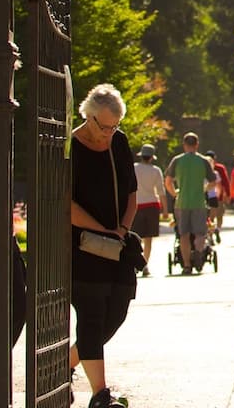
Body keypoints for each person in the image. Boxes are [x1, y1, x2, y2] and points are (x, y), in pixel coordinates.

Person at [66, 84, 144, 408]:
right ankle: (100, 396)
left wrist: (121, 229)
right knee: (92, 317)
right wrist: (100, 230)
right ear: (89, 115)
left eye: (115, 126)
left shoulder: (119, 142)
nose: (109, 133)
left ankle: (63, 365)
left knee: (118, 310)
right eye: (104, 126)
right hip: (83, 247)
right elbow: (65, 203)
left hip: (118, 246)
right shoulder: (71, 146)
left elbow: (131, 194)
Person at [165, 133, 217, 276]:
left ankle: (187, 265)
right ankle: (199, 252)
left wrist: (175, 194)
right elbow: (213, 182)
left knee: (184, 235)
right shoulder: (203, 161)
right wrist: (204, 189)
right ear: (197, 144)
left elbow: (168, 181)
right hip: (199, 202)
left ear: (184, 145)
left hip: (181, 203)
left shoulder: (177, 160)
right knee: (200, 233)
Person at [130, 145, 167, 275]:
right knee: (148, 239)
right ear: (151, 157)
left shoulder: (134, 168)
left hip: (136, 205)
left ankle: (135, 263)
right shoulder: (156, 170)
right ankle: (144, 264)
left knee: (135, 236)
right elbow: (161, 191)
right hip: (152, 205)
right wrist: (165, 209)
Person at [204, 150, 231, 244]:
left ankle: (210, 234)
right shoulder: (216, 171)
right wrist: (221, 195)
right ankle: (216, 229)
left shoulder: (200, 171)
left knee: (207, 217)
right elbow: (222, 183)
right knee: (214, 217)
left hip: (203, 196)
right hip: (214, 196)